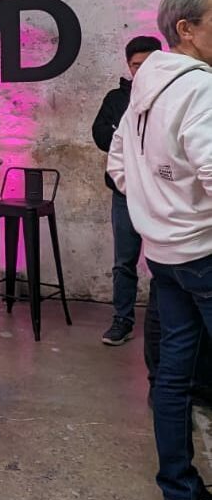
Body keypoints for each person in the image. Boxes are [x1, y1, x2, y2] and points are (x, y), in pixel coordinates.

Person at [108, 0, 212, 500]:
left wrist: (154, 208)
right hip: (203, 253)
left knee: (172, 378)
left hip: (165, 256)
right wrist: (175, 206)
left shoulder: (144, 89)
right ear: (186, 29)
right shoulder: (200, 88)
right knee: (178, 378)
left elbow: (119, 164)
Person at [92, 35, 162, 345]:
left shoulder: (172, 97)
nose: (141, 70)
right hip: (125, 194)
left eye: (147, 63)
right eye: (136, 65)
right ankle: (122, 320)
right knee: (124, 261)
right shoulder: (116, 98)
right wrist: (131, 144)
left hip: (162, 193)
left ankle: (166, 322)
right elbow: (100, 134)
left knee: (167, 263)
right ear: (128, 66)